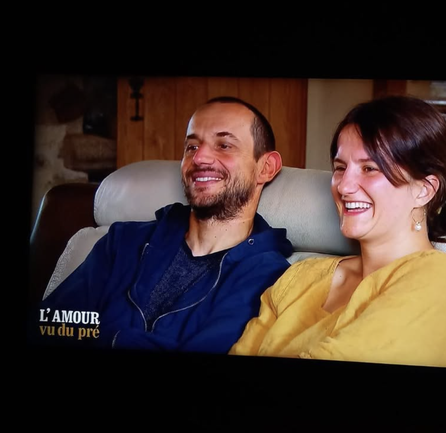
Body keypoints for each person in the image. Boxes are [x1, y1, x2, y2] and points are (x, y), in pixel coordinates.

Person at [230, 96, 446, 368]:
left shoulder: (443, 278)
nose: (343, 186)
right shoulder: (300, 276)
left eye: (369, 168)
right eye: (340, 168)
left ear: (424, 190)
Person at [33, 96, 293, 353]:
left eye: (224, 145)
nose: (199, 157)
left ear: (266, 168)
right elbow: (53, 324)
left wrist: (106, 335)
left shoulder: (268, 277)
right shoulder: (123, 241)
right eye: (191, 146)